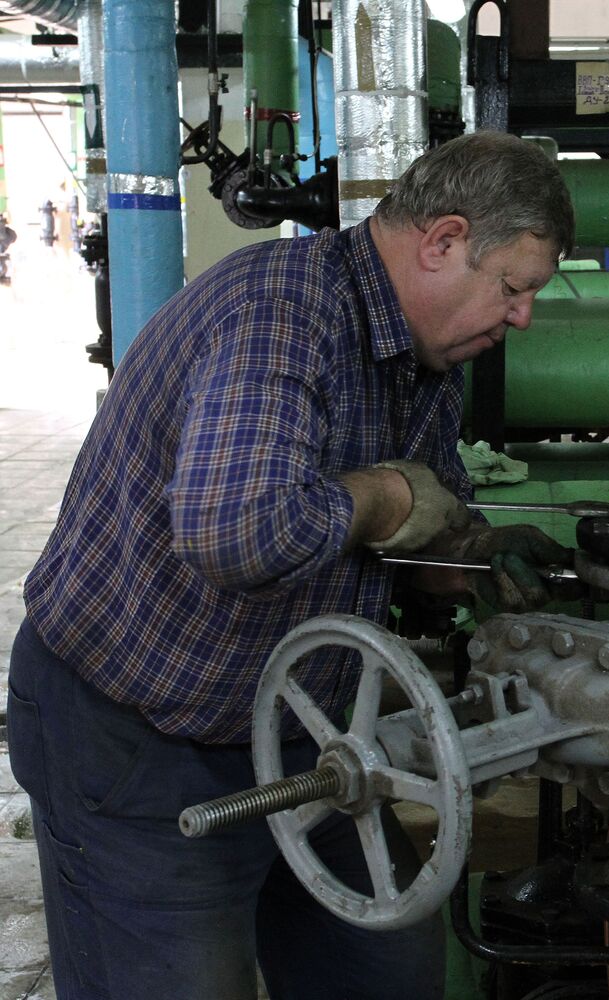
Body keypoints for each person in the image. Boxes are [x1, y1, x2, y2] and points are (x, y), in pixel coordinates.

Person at [7, 130, 575, 999]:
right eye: (515, 288)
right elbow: (235, 532)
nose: (523, 316)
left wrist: (464, 553)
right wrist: (385, 496)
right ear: (445, 240)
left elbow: (410, 525)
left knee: (389, 970)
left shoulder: (423, 362)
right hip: (137, 737)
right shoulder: (282, 312)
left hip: (303, 735)